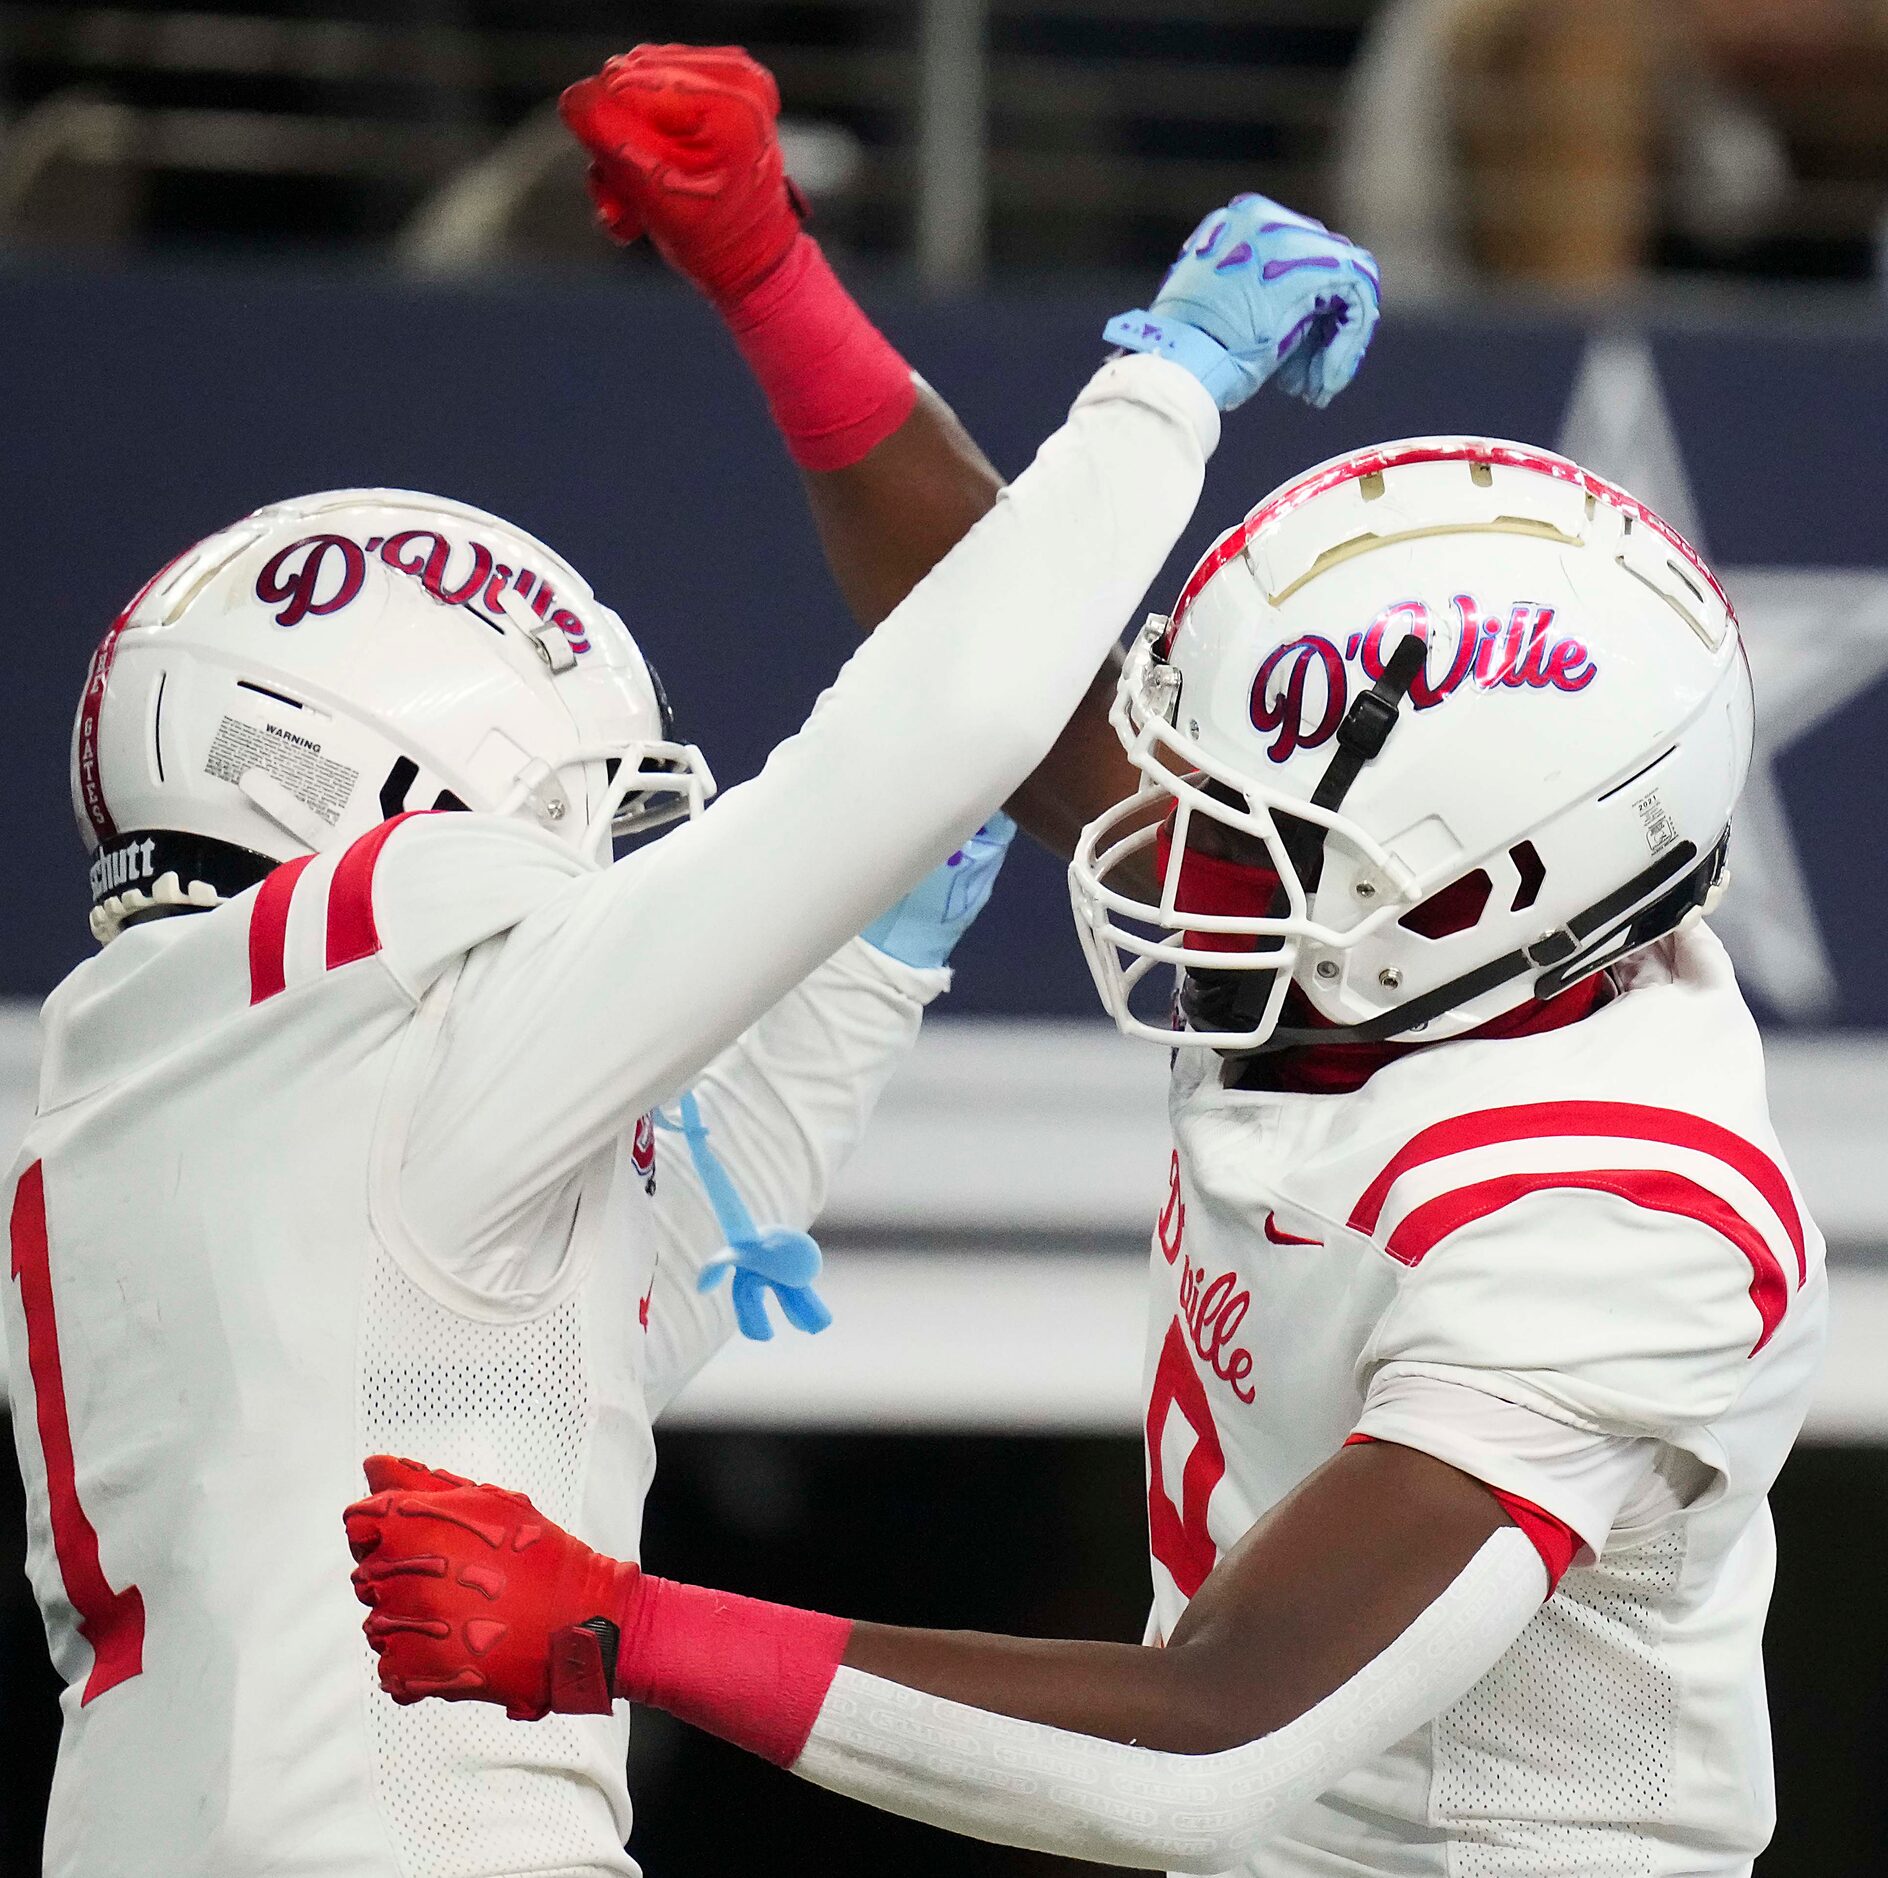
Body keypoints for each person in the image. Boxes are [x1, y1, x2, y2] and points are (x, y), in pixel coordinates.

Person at [348, 44, 1824, 1878]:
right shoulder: (1412, 939)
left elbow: (1213, 1742)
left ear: (1486, 897)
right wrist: (766, 271)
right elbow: (1001, 664)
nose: (1165, 849)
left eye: (1253, 836)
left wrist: (624, 1626)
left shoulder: (1622, 1208)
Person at [0, 42, 1382, 1878]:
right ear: (391, 767)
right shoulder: (371, 985)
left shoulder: (157, 1071)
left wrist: (874, 966)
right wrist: (1170, 385)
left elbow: (618, 1309)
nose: (594, 845)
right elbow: (943, 713)